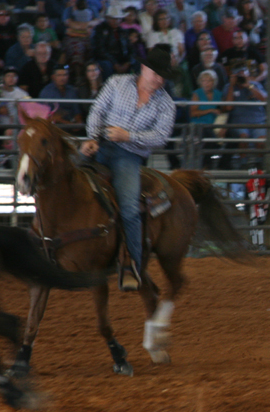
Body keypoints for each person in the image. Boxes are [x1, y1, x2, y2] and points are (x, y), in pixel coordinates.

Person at [79, 44, 177, 291]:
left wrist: (128, 136)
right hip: (100, 144)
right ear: (144, 68)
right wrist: (91, 138)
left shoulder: (166, 104)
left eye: (162, 76)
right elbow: (97, 110)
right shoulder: (116, 83)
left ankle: (132, 263)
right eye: (155, 73)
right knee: (61, 174)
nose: (158, 80)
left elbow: (161, 137)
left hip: (129, 156)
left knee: (130, 208)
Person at [190, 68, 222, 168]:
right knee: (209, 136)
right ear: (201, 82)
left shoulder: (218, 94)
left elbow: (223, 110)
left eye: (209, 80)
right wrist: (210, 110)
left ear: (214, 82)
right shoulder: (197, 94)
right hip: (199, 124)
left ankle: (211, 164)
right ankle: (206, 164)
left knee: (213, 136)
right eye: (204, 81)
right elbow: (193, 113)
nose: (207, 83)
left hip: (214, 124)